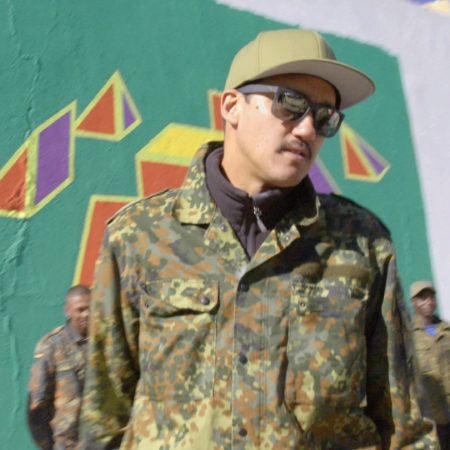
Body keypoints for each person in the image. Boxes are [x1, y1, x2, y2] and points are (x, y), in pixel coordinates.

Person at [80, 29, 435, 449]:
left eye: (325, 118)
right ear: (232, 106)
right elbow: (103, 419)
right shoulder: (139, 235)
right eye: (291, 103)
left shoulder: (361, 244)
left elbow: (405, 424)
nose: (308, 129)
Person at [28, 284, 91, 450]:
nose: (87, 314)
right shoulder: (52, 346)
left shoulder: (106, 342)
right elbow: (37, 407)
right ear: (67, 311)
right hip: (68, 444)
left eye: (91, 308)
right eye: (80, 310)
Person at [410, 280, 450, 449]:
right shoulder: (409, 334)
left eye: (431, 297)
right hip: (431, 411)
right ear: (414, 302)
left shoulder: (446, 329)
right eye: (422, 298)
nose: (428, 302)